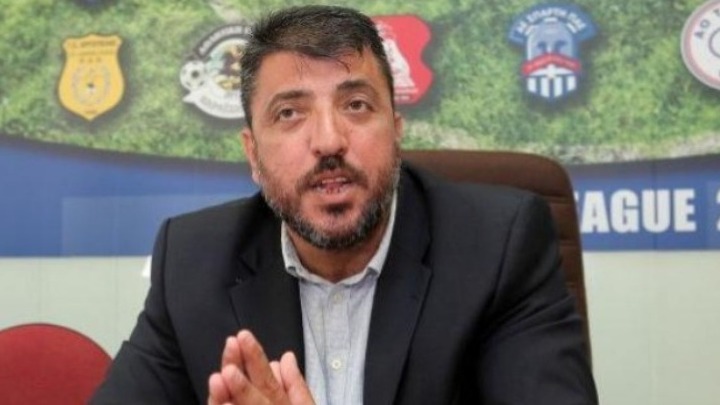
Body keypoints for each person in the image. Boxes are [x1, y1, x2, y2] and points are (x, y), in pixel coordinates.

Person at [92, 5, 597, 404]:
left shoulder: (498, 247)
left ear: (396, 131)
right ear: (253, 154)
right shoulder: (193, 262)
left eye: (356, 105)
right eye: (290, 113)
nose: (329, 140)